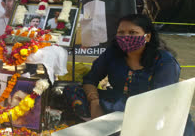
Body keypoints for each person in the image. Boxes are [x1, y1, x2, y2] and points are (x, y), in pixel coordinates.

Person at [63, 14, 194, 136]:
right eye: (121, 32)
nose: (126, 36)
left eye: (133, 32)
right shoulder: (112, 54)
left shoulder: (164, 62)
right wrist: (95, 103)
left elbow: (160, 101)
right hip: (117, 102)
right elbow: (90, 80)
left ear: (147, 37)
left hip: (152, 110)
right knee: (72, 90)